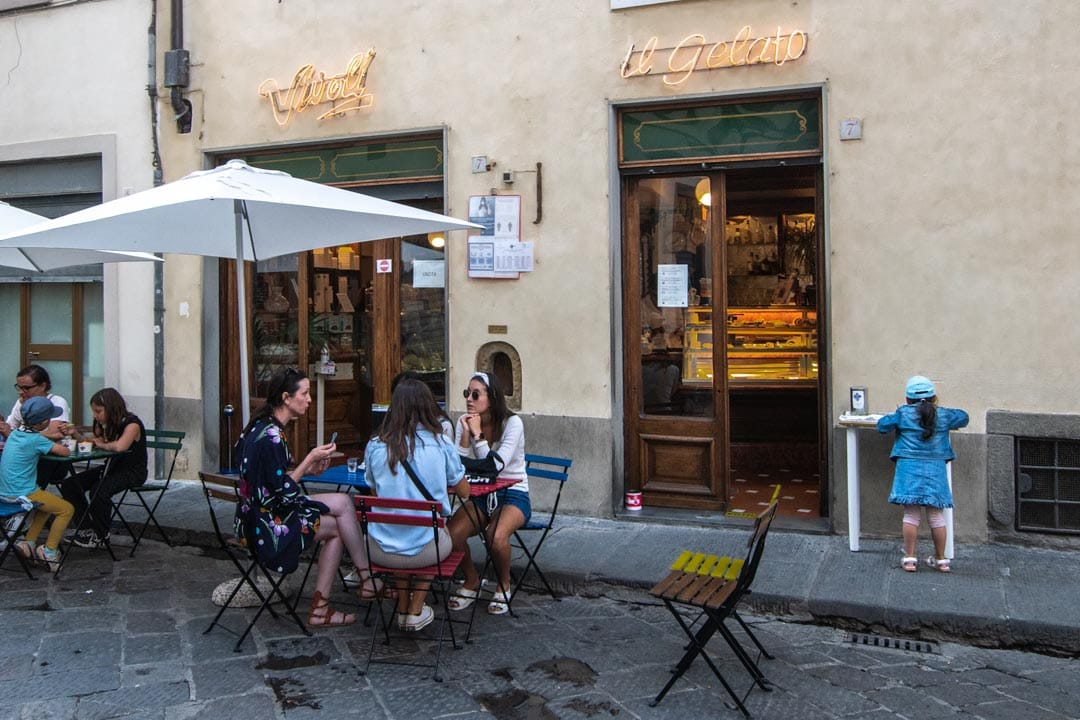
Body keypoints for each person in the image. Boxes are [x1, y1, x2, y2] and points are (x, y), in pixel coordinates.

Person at [233, 367, 381, 628]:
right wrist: (308, 461)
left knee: (344, 503)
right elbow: (280, 491)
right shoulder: (273, 437)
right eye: (305, 393)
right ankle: (335, 600)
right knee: (336, 528)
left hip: (251, 518)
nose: (310, 399)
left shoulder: (258, 426)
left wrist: (308, 469)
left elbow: (270, 480)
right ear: (287, 398)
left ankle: (365, 579)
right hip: (269, 526)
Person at [363, 379, 469, 631]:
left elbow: (374, 491)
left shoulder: (375, 446)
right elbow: (464, 491)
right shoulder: (441, 444)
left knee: (400, 524)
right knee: (436, 532)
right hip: (425, 551)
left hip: (379, 550)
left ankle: (402, 606)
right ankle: (415, 608)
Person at [447, 371, 529, 615]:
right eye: (467, 394)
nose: (469, 399)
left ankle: (504, 583)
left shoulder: (513, 423)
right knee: (450, 536)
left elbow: (494, 467)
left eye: (475, 394)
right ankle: (471, 580)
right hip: (483, 494)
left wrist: (478, 437)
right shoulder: (469, 422)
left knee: (495, 536)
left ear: (492, 398)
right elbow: (454, 466)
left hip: (513, 493)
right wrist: (463, 436)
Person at [877, 375, 969, 573]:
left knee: (911, 514)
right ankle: (941, 559)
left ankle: (910, 558)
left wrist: (896, 416)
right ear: (934, 397)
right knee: (936, 515)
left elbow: (882, 426)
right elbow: (964, 417)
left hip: (909, 467)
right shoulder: (943, 415)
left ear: (907, 398)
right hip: (935, 468)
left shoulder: (903, 414)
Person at [60, 388, 148, 549]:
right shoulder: (106, 424)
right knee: (70, 485)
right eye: (94, 411)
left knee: (99, 490)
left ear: (111, 408)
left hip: (132, 472)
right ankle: (86, 528)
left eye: (98, 411)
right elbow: (92, 443)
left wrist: (103, 444)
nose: (95, 415)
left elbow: (121, 446)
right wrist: (75, 434)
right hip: (109, 469)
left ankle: (101, 534)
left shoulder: (132, 424)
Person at [0, 396, 74, 572]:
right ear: (43, 422)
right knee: (66, 509)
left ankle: (29, 543)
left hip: (4, 494)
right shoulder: (36, 440)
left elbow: (37, 440)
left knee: (45, 507)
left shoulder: (16, 433)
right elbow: (64, 452)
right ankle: (49, 550)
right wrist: (69, 440)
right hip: (23, 494)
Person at [0, 365, 71, 489]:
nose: (21, 392)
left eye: (26, 388)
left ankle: (28, 498)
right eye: (19, 387)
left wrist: (18, 433)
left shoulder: (56, 402)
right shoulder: (22, 401)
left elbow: (54, 434)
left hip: (51, 459)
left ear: (42, 386)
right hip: (26, 456)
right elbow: (8, 427)